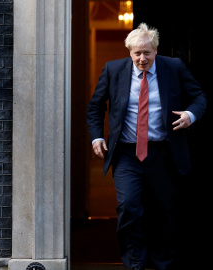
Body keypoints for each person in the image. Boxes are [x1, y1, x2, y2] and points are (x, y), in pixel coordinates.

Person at [87, 23, 206, 270]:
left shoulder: (173, 67)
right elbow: (96, 106)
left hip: (163, 152)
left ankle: (163, 264)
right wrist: (97, 137)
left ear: (156, 50)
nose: (142, 59)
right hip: (127, 154)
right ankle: (135, 264)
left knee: (164, 211)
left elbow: (199, 97)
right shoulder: (113, 70)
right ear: (129, 52)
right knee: (129, 207)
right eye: (137, 53)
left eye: (147, 53)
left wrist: (190, 115)